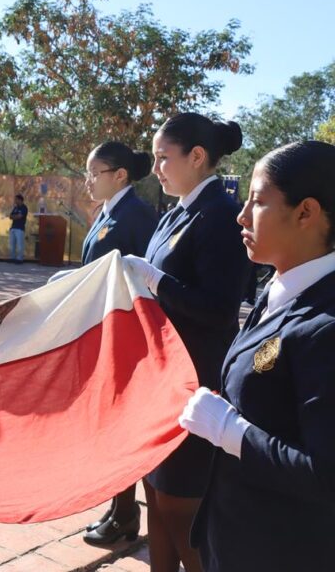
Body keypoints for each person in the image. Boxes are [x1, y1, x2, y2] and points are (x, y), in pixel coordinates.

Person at [179, 140, 335, 571]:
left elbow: (326, 475)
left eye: (258, 201)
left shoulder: (326, 324)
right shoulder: (279, 288)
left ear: (306, 212)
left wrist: (232, 431)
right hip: (233, 534)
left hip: (280, 550)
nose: (242, 215)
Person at [123, 113, 251, 572]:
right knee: (155, 497)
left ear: (197, 157)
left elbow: (219, 307)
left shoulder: (219, 214)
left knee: (181, 507)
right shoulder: (178, 209)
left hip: (195, 374)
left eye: (163, 158)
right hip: (162, 374)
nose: (156, 168)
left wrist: (155, 280)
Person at [78, 141, 158, 545]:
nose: (88, 180)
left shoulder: (137, 217)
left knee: (122, 424)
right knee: (110, 422)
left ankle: (126, 514)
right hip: (103, 331)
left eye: (95, 172)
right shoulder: (109, 212)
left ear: (120, 175)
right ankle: (119, 506)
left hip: (125, 337)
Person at [8, 194, 28, 263]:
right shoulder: (15, 207)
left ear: (20, 200)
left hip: (20, 228)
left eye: (16, 199)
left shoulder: (24, 208)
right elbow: (10, 216)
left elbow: (19, 216)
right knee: (12, 244)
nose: (15, 201)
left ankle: (20, 259)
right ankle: (12, 258)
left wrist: (15, 216)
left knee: (19, 244)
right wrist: (15, 216)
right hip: (13, 227)